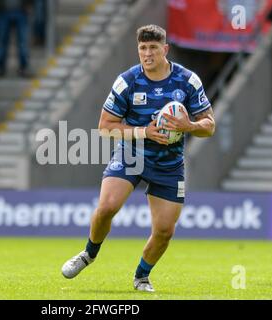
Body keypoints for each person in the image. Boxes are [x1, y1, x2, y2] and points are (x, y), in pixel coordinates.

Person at [61, 25, 216, 292]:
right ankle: (88, 253)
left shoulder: (187, 81)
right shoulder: (127, 81)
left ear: (165, 49)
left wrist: (188, 126)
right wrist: (145, 132)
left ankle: (142, 277)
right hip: (131, 154)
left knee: (165, 231)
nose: (147, 54)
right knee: (108, 206)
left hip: (169, 164)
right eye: (143, 49)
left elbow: (209, 125)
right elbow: (105, 126)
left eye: (153, 48)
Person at [0, 0, 33, 78]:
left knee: (23, 41)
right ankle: (0, 67)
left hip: (21, 10)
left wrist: (29, 5)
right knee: (2, 41)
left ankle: (24, 67)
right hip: (3, 11)